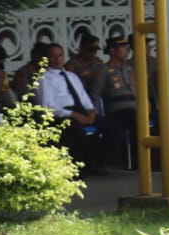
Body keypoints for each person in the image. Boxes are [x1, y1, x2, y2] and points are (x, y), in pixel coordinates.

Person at [33, 42, 106, 172]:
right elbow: (47, 107)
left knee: (110, 127)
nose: (58, 59)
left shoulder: (72, 76)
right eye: (53, 56)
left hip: (79, 110)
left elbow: (83, 97)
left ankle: (97, 163)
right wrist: (72, 114)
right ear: (47, 59)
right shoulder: (44, 79)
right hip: (61, 115)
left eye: (60, 55)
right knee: (76, 130)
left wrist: (91, 111)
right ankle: (77, 169)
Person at [92, 35, 139, 170]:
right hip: (118, 109)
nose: (127, 51)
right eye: (123, 48)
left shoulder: (130, 68)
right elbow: (96, 94)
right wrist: (96, 115)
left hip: (135, 105)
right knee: (134, 120)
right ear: (112, 51)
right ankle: (135, 161)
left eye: (127, 48)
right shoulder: (104, 70)